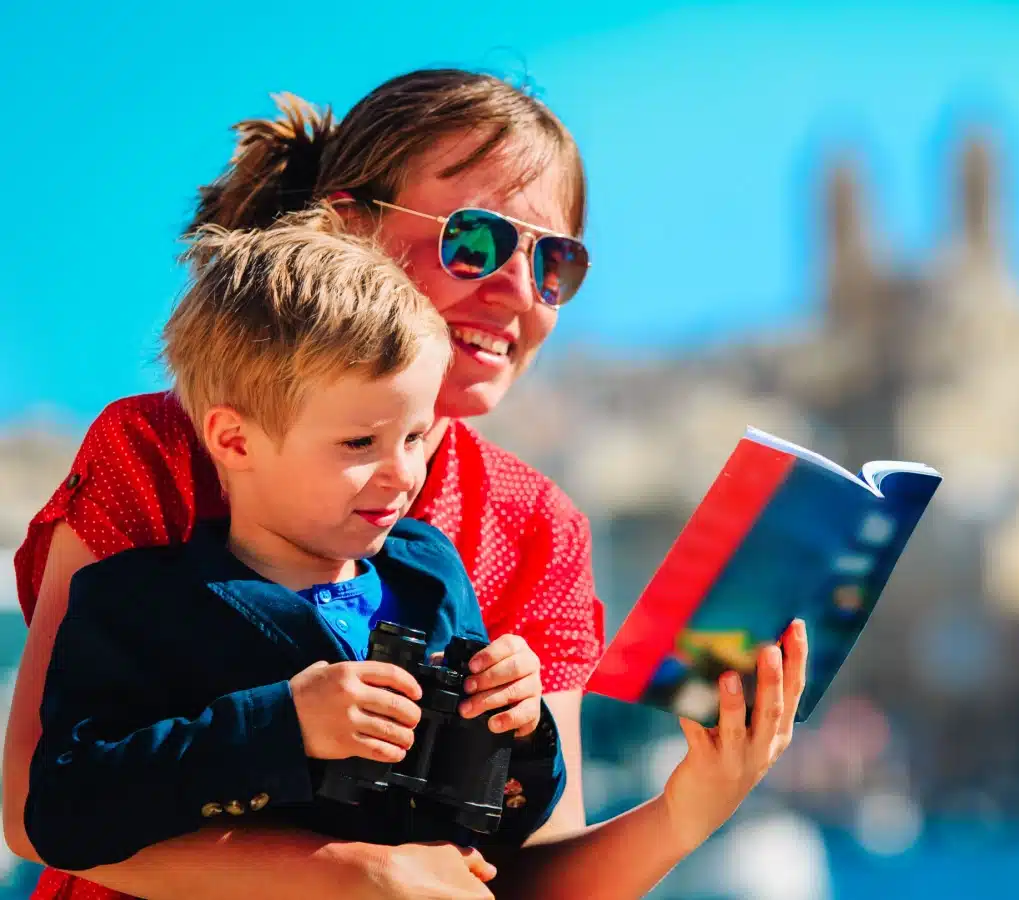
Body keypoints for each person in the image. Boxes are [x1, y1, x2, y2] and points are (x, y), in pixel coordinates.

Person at [4, 69, 809, 900]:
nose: (517, 291)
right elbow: (39, 806)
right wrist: (353, 874)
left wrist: (685, 812)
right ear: (350, 225)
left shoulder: (539, 526)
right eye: (477, 241)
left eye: (554, 261)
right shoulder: (161, 447)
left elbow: (521, 871)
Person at [25, 214, 567, 872]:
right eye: (360, 443)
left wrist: (522, 726)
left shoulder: (430, 575)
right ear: (234, 441)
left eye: (414, 437)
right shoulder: (139, 603)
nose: (403, 474)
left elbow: (504, 822)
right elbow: (63, 812)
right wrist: (283, 726)